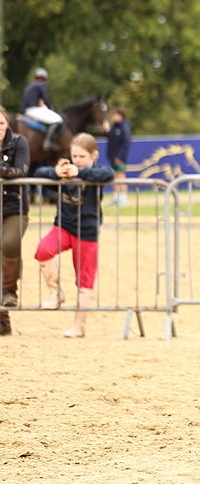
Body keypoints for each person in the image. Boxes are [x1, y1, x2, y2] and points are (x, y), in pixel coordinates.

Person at [33, 133, 114, 338]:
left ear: (94, 155)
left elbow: (107, 174)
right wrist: (56, 171)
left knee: (85, 281)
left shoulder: (95, 171)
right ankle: (56, 292)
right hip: (64, 227)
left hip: (87, 232)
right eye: (74, 156)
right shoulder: (65, 173)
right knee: (43, 250)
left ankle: (78, 326)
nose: (76, 161)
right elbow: (38, 172)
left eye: (81, 157)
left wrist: (80, 172)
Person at [0, 108, 31, 336]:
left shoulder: (20, 142)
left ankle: (10, 291)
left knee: (9, 243)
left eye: (1, 124)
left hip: (14, 207)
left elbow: (21, 170)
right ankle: (3, 321)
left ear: (7, 124)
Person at [21, 68, 63, 152]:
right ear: (45, 79)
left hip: (26, 111)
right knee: (58, 120)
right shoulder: (41, 85)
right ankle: (48, 142)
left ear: (35, 78)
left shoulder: (29, 86)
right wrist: (51, 108)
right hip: (33, 110)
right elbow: (46, 99)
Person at [107, 107, 132, 207]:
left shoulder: (124, 127)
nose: (113, 117)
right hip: (113, 156)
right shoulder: (114, 127)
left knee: (121, 175)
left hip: (120, 157)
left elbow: (126, 143)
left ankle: (123, 197)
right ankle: (116, 197)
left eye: (115, 115)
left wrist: (120, 156)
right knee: (115, 176)